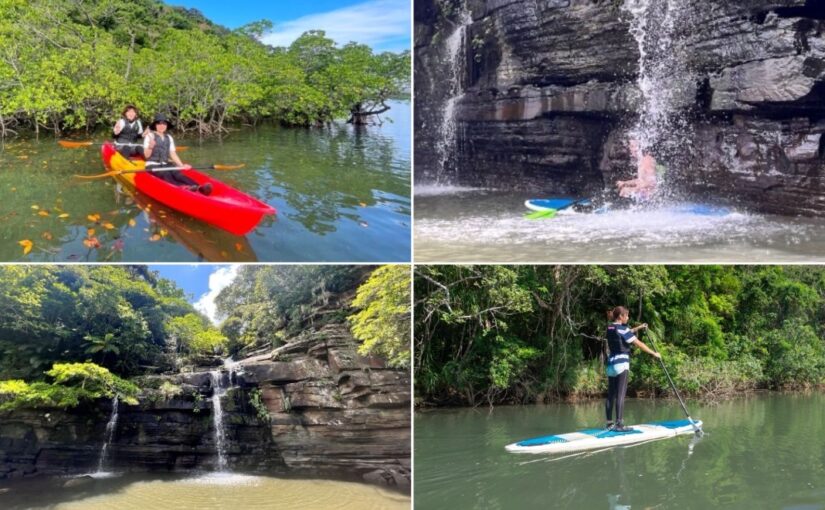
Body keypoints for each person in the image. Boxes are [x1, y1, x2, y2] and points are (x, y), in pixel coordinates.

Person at [604, 306, 661, 432]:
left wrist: (639, 328)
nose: (628, 317)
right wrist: (653, 353)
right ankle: (619, 425)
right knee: (620, 395)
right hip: (621, 365)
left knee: (611, 395)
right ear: (621, 316)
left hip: (611, 365)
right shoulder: (623, 329)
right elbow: (639, 344)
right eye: (627, 315)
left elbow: (626, 331)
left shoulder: (610, 327)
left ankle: (609, 424)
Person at [143, 114, 211, 195]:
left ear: (166, 125)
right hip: (153, 165)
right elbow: (146, 156)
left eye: (164, 123)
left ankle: (199, 187)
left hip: (166, 164)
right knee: (166, 174)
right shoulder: (149, 136)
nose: (162, 125)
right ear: (155, 125)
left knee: (178, 174)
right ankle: (183, 188)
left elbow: (172, 154)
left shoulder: (169, 137)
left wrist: (181, 165)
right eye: (159, 123)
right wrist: (150, 146)